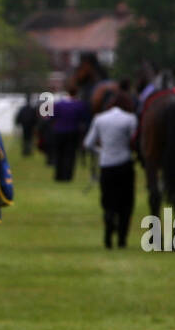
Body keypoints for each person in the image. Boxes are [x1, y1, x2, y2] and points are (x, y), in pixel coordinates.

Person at [83, 95, 139, 248]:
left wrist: (101, 151)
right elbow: (134, 142)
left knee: (108, 201)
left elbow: (88, 143)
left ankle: (108, 233)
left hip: (106, 165)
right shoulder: (130, 119)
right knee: (126, 203)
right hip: (125, 163)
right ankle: (122, 238)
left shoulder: (99, 119)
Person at [51, 94, 88, 182]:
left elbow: (52, 117)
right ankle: (68, 176)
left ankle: (59, 175)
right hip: (72, 132)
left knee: (59, 154)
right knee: (70, 155)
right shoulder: (79, 105)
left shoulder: (58, 104)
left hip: (59, 132)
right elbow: (83, 118)